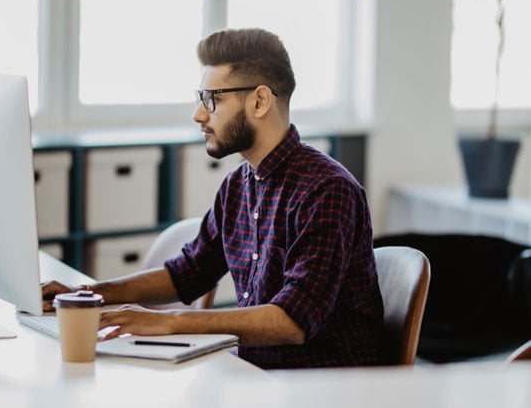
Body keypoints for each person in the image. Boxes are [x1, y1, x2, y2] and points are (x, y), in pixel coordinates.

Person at [42, 28, 388, 369]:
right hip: (255, 376)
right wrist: (88, 294)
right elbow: (189, 273)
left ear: (259, 101)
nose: (199, 114)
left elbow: (292, 322)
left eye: (213, 99)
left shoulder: (326, 191)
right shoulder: (238, 184)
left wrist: (170, 321)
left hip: (325, 390)